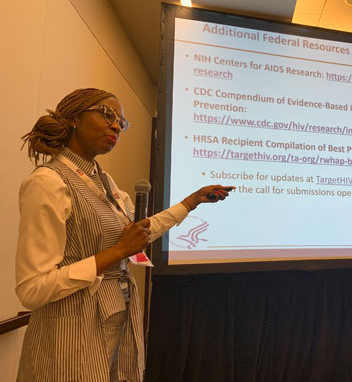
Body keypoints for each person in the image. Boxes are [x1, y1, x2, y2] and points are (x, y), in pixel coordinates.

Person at [15, 88, 233, 381]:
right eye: (107, 115)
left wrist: (191, 202)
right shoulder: (48, 181)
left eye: (121, 121)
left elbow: (137, 235)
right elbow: (32, 289)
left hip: (116, 317)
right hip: (70, 331)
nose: (117, 125)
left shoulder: (103, 181)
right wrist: (117, 253)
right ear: (75, 118)